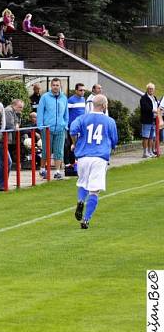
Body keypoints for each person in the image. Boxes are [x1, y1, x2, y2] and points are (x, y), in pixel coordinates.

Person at [69, 95, 118, 229]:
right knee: (94, 190)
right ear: (104, 106)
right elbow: (114, 141)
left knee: (83, 182)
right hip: (99, 157)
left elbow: (72, 130)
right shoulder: (109, 121)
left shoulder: (82, 118)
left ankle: (80, 201)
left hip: (83, 156)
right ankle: (86, 219)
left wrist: (75, 144)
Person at [37, 78, 69, 179]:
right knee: (46, 150)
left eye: (57, 85)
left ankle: (57, 171)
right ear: (51, 86)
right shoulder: (45, 97)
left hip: (60, 128)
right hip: (47, 128)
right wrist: (41, 126)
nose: (55, 87)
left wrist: (65, 124)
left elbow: (66, 113)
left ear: (60, 86)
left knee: (59, 151)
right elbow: (40, 112)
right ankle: (42, 169)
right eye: (54, 85)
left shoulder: (64, 98)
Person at [65, 83, 86, 165]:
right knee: (71, 144)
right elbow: (66, 112)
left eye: (84, 90)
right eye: (81, 90)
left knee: (80, 143)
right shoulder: (71, 100)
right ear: (76, 90)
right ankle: (71, 162)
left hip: (82, 126)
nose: (83, 92)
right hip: (72, 126)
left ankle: (78, 160)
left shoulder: (83, 99)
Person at [140, 82, 160, 158]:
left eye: (152, 89)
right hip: (146, 120)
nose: (151, 90)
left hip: (154, 120)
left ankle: (150, 151)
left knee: (151, 137)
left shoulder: (154, 97)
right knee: (146, 137)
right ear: (147, 89)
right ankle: (145, 153)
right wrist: (153, 110)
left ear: (154, 90)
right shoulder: (143, 98)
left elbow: (157, 106)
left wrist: (159, 110)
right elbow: (145, 107)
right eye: (149, 89)